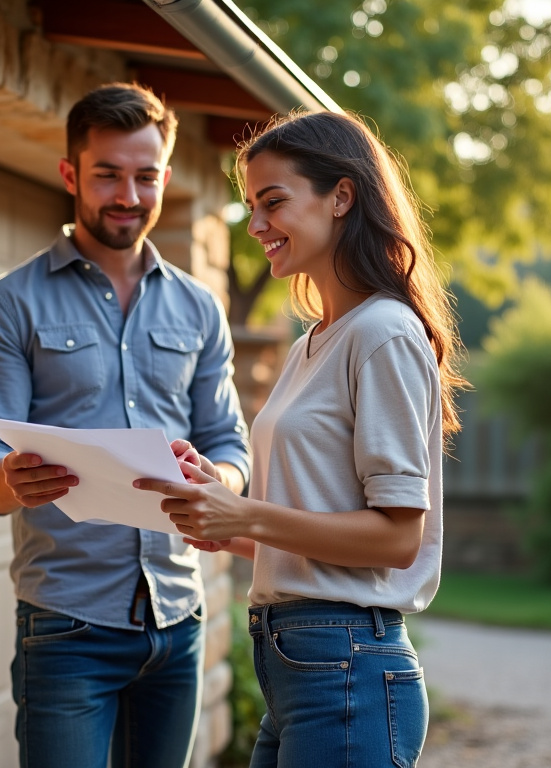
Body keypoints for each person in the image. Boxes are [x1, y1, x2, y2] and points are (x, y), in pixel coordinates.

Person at [135, 110, 467, 768]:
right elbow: (315, 521)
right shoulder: (312, 343)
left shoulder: (383, 333)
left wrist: (248, 513)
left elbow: (398, 538)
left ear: (341, 196)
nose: (255, 225)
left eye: (272, 202)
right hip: (298, 667)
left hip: (345, 665)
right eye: (250, 206)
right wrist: (224, 523)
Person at [0, 82, 252, 768]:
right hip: (65, 628)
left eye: (145, 176)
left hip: (177, 620)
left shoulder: (201, 309)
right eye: (107, 175)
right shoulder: (10, 302)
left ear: (165, 177)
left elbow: (228, 441)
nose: (128, 195)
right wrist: (9, 479)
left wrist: (220, 481)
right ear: (70, 175)